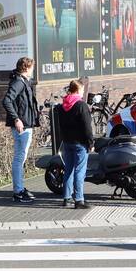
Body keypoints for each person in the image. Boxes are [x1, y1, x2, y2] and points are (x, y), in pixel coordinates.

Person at [1, 57, 39, 204]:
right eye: (32, 68)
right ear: (26, 68)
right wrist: (16, 119)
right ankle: (18, 191)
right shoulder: (18, 82)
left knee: (20, 159)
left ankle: (20, 188)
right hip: (22, 127)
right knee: (19, 159)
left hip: (25, 125)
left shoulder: (22, 81)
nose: (33, 70)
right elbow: (7, 100)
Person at [55, 80, 93, 209]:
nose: (83, 93)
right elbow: (87, 127)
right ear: (78, 90)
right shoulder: (81, 105)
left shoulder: (62, 105)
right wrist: (90, 142)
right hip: (80, 143)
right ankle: (79, 200)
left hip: (67, 142)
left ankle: (66, 198)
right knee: (79, 171)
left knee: (68, 170)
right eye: (82, 90)